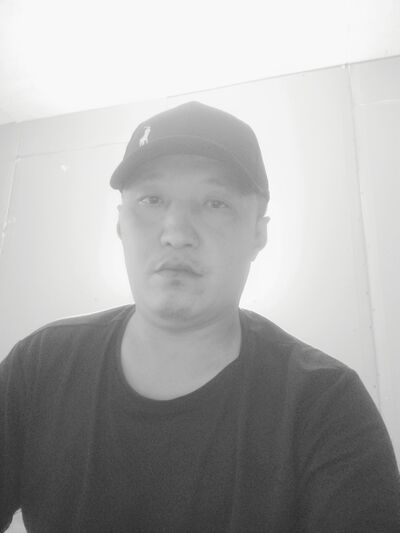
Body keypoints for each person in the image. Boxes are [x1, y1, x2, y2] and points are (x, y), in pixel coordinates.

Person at [0, 101, 399, 533]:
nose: (176, 233)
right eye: (151, 199)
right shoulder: (40, 367)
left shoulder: (323, 404)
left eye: (215, 203)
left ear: (258, 232)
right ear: (120, 225)